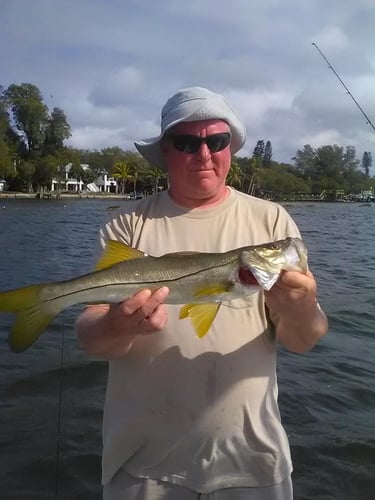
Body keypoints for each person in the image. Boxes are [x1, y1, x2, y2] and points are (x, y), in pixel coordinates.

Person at [76, 86, 328, 500]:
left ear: (230, 147)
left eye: (217, 140)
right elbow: (90, 336)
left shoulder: (272, 221)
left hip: (255, 462)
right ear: (166, 151)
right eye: (187, 142)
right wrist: (116, 324)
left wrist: (301, 312)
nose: (204, 154)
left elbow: (303, 340)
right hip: (140, 468)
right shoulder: (128, 223)